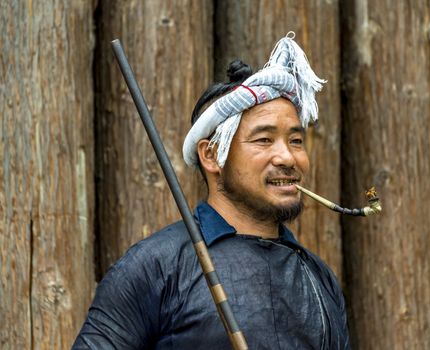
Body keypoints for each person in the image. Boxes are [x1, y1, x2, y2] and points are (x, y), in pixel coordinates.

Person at [73, 33, 350, 349]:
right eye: (263, 140)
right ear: (211, 155)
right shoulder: (156, 267)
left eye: (295, 141)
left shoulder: (318, 278)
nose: (287, 157)